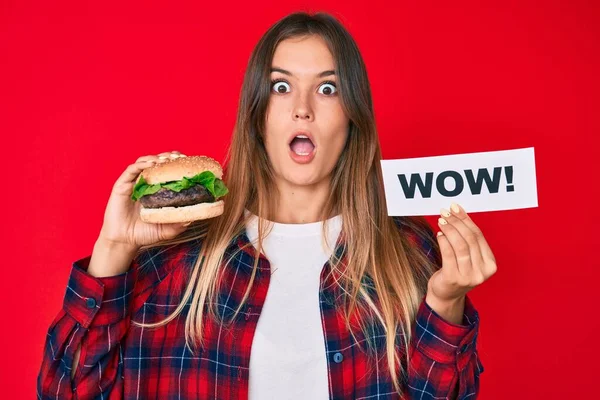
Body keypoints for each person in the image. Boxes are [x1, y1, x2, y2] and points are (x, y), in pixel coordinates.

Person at [37, 11, 496, 399]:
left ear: (352, 117)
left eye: (327, 88)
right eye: (281, 87)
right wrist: (113, 249)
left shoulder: (409, 256)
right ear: (257, 116)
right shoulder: (175, 262)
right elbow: (66, 391)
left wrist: (444, 302)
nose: (302, 108)